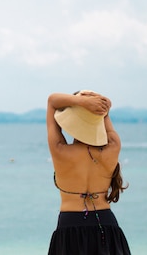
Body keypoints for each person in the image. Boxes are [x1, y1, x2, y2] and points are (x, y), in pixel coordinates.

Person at [46, 90, 131, 255]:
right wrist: (100, 107)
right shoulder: (113, 147)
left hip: (69, 225)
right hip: (106, 224)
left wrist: (82, 102)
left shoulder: (60, 151)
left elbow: (52, 102)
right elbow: (105, 116)